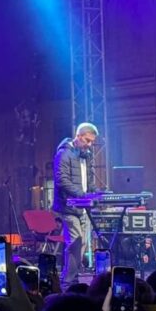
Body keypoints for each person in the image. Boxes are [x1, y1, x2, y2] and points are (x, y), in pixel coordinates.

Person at [52, 122, 99, 287]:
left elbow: (89, 181)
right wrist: (82, 195)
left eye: (92, 141)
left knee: (83, 243)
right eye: (87, 140)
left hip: (83, 206)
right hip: (68, 206)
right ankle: (68, 280)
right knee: (75, 242)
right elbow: (61, 180)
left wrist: (97, 192)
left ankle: (71, 277)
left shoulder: (86, 155)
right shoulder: (64, 154)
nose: (89, 144)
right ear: (78, 136)